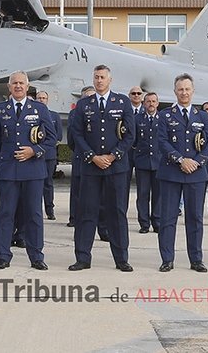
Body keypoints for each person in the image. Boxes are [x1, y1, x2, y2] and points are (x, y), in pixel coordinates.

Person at [68, 66, 135, 272]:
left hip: (116, 168)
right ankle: (82, 258)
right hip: (91, 167)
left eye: (102, 77)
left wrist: (113, 155)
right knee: (86, 213)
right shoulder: (83, 104)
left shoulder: (122, 102)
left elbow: (130, 135)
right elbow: (77, 135)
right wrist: (93, 157)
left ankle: (121, 259)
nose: (99, 81)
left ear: (110, 80)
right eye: (96, 78)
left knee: (117, 213)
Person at [0, 71, 56, 270]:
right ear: (9, 87)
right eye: (14, 83)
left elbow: (51, 139)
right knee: (5, 214)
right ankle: (3, 256)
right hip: (8, 171)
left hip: (33, 171)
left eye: (21, 83)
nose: (18, 86)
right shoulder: (0, 110)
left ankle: (36, 256)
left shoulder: (40, 109)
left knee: (34, 215)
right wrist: (10, 154)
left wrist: (33, 151)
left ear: (28, 87)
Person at [155, 73, 208, 273]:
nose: (184, 92)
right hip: (171, 173)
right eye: (180, 89)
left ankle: (196, 259)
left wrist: (196, 162)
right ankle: (167, 258)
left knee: (195, 218)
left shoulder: (203, 116)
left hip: (196, 174)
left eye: (187, 89)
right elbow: (161, 141)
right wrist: (181, 160)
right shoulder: (165, 115)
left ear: (193, 91)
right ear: (175, 92)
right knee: (168, 218)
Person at [132, 91, 161, 234]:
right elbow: (134, 140)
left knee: (158, 194)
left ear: (158, 103)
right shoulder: (137, 119)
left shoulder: (163, 119)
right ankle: (144, 223)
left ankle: (157, 222)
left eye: (153, 101)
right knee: (142, 195)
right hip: (142, 161)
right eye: (148, 101)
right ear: (144, 104)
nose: (151, 104)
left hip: (159, 162)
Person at [35, 91, 63, 221]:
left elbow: (58, 136)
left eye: (43, 98)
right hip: (34, 155)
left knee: (48, 183)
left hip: (49, 155)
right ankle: (35, 210)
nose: (41, 100)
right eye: (39, 98)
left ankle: (49, 210)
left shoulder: (54, 115)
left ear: (47, 100)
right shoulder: (31, 114)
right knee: (35, 184)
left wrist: (45, 147)